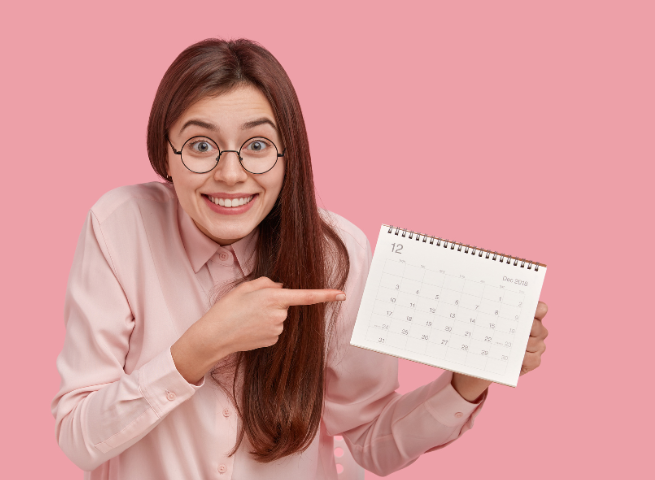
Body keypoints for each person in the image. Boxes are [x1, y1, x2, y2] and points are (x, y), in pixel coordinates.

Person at [50, 38, 550, 479]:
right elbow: (79, 435)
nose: (230, 174)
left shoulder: (337, 253)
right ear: (165, 153)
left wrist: (467, 381)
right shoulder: (119, 225)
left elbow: (372, 441)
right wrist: (198, 348)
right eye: (201, 145)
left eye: (258, 145)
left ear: (290, 155)